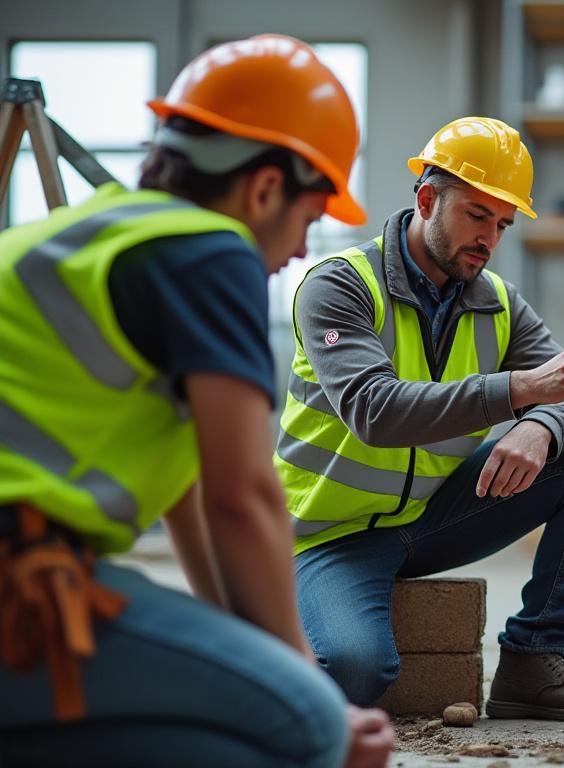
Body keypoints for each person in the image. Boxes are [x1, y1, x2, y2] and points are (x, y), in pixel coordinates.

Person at [0, 35, 393, 767]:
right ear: (265, 188)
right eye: (310, 220)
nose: (301, 251)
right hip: (19, 583)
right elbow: (242, 498)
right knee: (313, 727)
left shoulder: (93, 235)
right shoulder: (209, 251)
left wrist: (249, 653)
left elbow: (192, 502)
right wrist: (305, 685)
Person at [279, 116, 564, 721]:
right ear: (427, 201)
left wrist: (539, 426)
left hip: (431, 518)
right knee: (356, 670)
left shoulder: (498, 300)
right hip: (329, 535)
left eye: (503, 224)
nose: (489, 238)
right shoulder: (339, 285)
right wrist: (522, 390)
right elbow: (374, 410)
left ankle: (533, 660)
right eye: (477, 215)